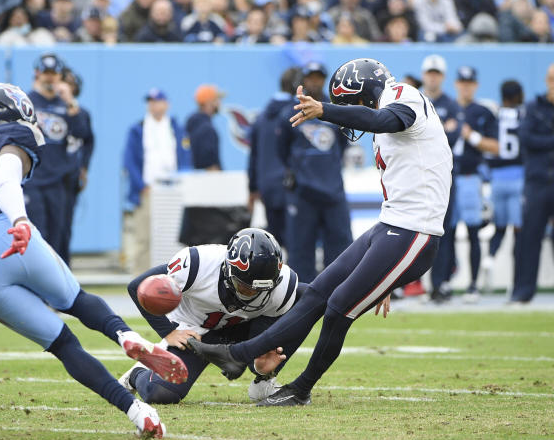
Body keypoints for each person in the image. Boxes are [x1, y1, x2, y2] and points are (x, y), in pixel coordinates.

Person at [0, 83, 188, 437]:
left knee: (63, 345)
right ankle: (125, 336)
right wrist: (20, 221)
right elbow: (2, 178)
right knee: (76, 300)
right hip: (5, 232)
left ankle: (137, 412)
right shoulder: (10, 136)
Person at [187, 57, 452, 406]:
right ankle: (238, 355)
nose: (350, 112)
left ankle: (301, 389)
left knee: (339, 307)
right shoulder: (392, 102)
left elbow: (381, 119)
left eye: (351, 102)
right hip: (392, 227)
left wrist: (325, 110)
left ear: (367, 90)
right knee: (316, 293)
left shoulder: (403, 94)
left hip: (414, 232)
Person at [118, 228, 305, 404]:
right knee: (160, 393)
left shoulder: (283, 286)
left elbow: (264, 333)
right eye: (245, 287)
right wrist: (170, 332)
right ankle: (137, 374)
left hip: (243, 327)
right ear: (228, 270)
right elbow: (139, 286)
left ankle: (264, 384)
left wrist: (259, 367)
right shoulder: (198, 264)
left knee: (305, 298)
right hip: (194, 332)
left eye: (261, 290)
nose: (252, 294)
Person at [280, 62, 352, 284]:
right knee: (300, 249)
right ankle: (300, 296)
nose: (315, 81)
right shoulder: (289, 112)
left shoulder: (334, 111)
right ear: (303, 79)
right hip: (303, 193)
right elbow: (281, 149)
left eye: (319, 77)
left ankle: (340, 292)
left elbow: (344, 144)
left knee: (341, 248)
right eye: (310, 77)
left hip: (333, 191)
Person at [24, 53, 88, 261]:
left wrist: (70, 103)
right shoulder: (27, 102)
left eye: (54, 74)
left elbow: (82, 135)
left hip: (59, 179)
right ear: (37, 74)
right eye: (46, 73)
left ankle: (61, 287)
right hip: (34, 178)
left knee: (59, 234)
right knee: (38, 233)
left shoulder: (67, 105)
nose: (50, 78)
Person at [122, 88, 191, 274]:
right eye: (150, 102)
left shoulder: (176, 128)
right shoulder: (139, 129)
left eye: (157, 101)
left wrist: (183, 184)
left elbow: (185, 157)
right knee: (144, 238)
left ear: (166, 104)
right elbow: (129, 161)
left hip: (173, 191)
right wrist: (141, 186)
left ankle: (174, 280)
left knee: (173, 237)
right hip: (148, 191)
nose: (153, 105)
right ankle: (140, 280)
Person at [453, 66, 499, 302]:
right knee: (444, 232)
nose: (465, 86)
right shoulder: (446, 107)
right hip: (446, 178)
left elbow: (496, 146)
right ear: (456, 83)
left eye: (469, 82)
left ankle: (472, 284)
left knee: (472, 231)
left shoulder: (483, 112)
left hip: (471, 176)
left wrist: (472, 136)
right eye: (462, 81)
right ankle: (443, 283)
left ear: (476, 85)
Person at [420, 54, 463, 302]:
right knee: (411, 231)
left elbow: (454, 137)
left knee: (441, 232)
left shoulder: (451, 104)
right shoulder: (416, 100)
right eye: (430, 73)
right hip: (418, 176)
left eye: (437, 73)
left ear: (442, 77)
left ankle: (440, 283)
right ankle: (408, 284)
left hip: (443, 177)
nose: (433, 77)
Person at [510, 64, 554, 304]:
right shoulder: (534, 107)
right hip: (537, 182)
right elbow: (526, 138)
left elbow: (536, 140)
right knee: (529, 238)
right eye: (551, 79)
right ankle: (523, 290)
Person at [247, 67, 300, 246]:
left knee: (273, 244)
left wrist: (252, 188)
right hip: (292, 186)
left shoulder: (261, 117)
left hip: (267, 186)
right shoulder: (297, 115)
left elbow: (253, 155)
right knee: (296, 245)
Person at [481, 80, 524, 291]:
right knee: (518, 230)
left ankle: (489, 259)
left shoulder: (494, 115)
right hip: (519, 177)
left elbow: (488, 147)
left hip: (497, 178)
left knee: (499, 228)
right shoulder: (524, 115)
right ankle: (517, 281)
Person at [61, 67, 94, 265]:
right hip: (47, 175)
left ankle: (64, 268)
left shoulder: (82, 113)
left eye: (71, 85)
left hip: (69, 174)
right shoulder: (47, 109)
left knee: (64, 225)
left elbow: (88, 140)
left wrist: (84, 167)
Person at [185, 84, 224, 170]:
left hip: (194, 178)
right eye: (217, 100)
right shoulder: (207, 129)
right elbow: (211, 165)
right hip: (208, 181)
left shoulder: (191, 124)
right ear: (209, 102)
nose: (220, 103)